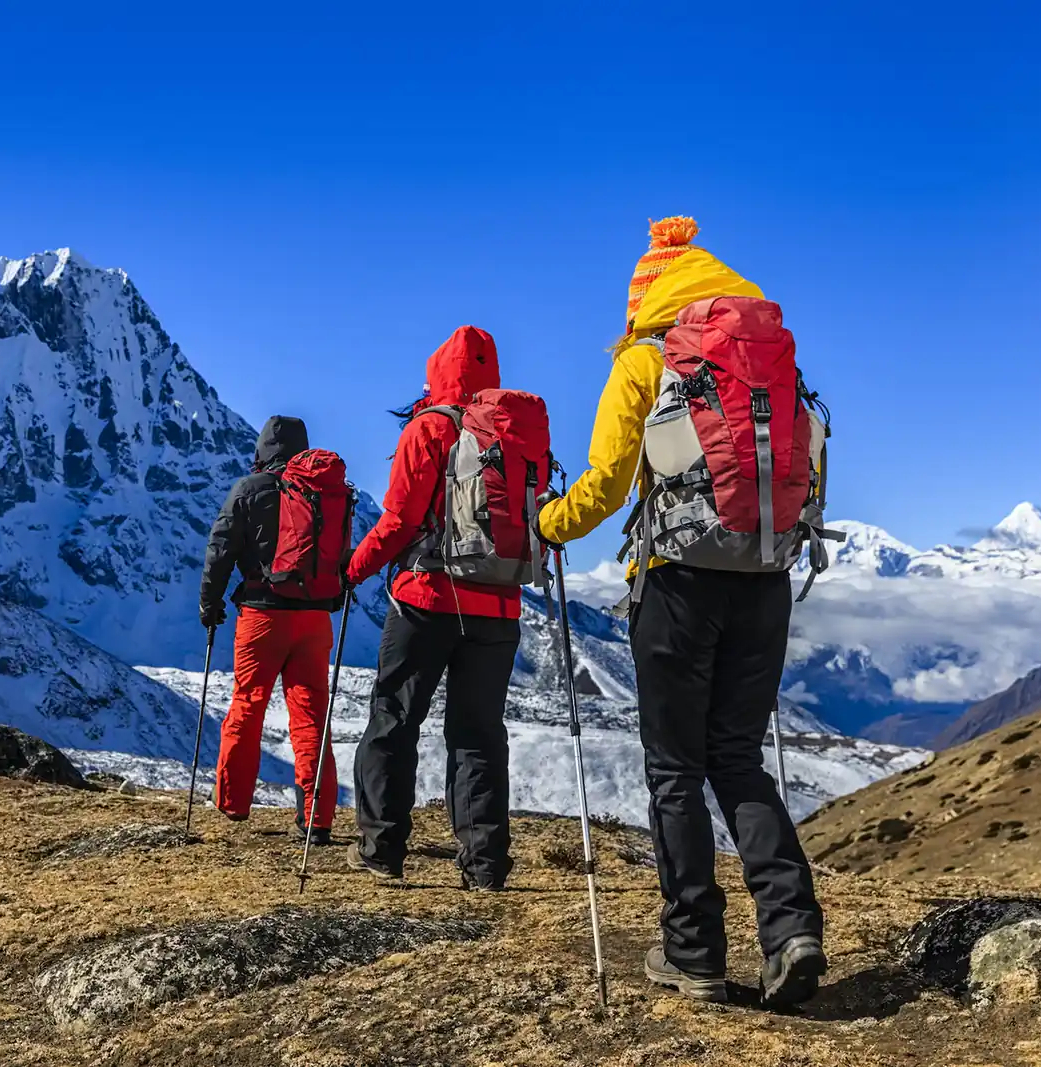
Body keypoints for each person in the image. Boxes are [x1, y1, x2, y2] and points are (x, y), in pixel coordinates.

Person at [537, 217, 827, 1006]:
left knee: (674, 768)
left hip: (675, 586)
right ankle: (792, 926)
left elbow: (603, 483)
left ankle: (693, 952)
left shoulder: (645, 360)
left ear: (647, 295)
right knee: (736, 758)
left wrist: (547, 523)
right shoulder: (773, 359)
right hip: (764, 581)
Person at [342, 326, 521, 890]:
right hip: (498, 604)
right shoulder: (512, 431)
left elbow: (398, 521)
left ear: (438, 373)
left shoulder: (430, 428)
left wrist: (352, 570)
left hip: (428, 600)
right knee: (478, 734)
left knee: (394, 721)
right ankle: (485, 865)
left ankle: (381, 850)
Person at [199, 416, 340, 843]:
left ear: (261, 451)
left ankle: (233, 802)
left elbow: (220, 550)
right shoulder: (324, 491)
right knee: (312, 713)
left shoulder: (248, 490)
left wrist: (210, 603)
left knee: (248, 704)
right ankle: (316, 819)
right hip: (315, 619)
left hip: (262, 617)